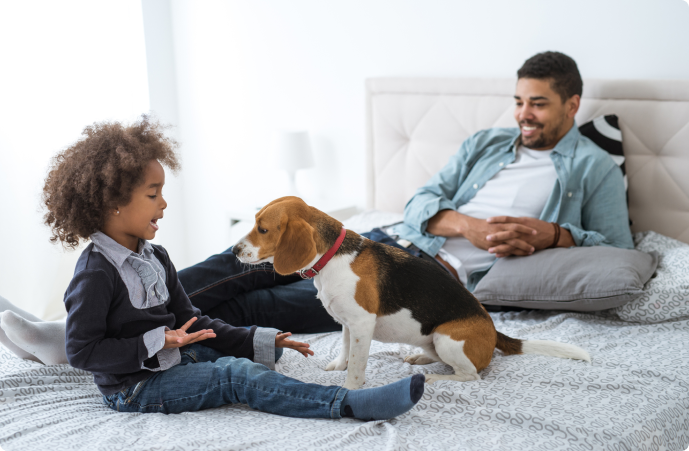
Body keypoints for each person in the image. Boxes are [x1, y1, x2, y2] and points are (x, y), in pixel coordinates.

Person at [0, 51, 632, 364]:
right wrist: (461, 222)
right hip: (391, 244)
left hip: (437, 283)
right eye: (520, 101)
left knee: (254, 300)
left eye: (539, 105)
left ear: (572, 106)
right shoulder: (486, 144)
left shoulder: (593, 165)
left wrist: (551, 235)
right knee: (241, 259)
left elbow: (616, 246)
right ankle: (89, 333)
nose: (523, 114)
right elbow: (419, 201)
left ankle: (101, 340)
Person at [0, 117, 424, 421]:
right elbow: (82, 353)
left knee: (248, 356)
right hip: (134, 386)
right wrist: (157, 339)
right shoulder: (95, 274)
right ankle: (345, 404)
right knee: (235, 376)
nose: (164, 204)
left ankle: (261, 352)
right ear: (113, 202)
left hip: (171, 357)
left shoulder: (156, 256)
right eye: (153, 194)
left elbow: (193, 320)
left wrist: (259, 338)